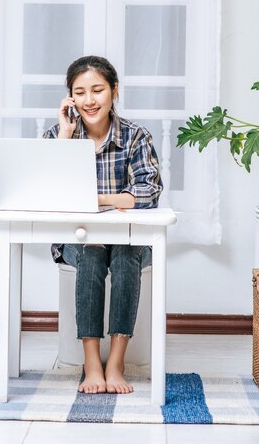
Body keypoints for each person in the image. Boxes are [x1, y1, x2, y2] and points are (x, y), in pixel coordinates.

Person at [44, 55, 162, 395]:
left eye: (97, 90)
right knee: (93, 254)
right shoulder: (57, 135)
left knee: (124, 258)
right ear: (70, 97)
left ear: (114, 91)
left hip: (129, 241)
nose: (89, 100)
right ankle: (92, 362)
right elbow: (48, 190)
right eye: (79, 92)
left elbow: (148, 191)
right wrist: (66, 136)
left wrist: (95, 199)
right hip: (78, 241)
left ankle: (116, 362)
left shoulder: (136, 136)